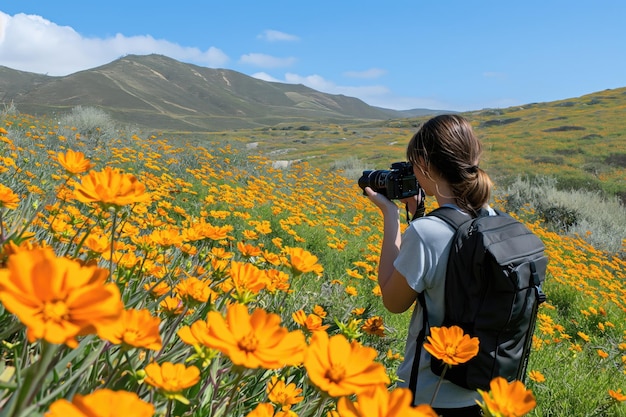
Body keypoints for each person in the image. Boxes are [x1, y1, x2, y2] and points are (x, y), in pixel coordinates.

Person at [364, 114, 493, 417]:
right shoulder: (492, 219)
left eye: (412, 166)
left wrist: (391, 217)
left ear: (424, 164)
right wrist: (419, 213)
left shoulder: (427, 233)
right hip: (482, 392)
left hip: (429, 394)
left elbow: (393, 301)